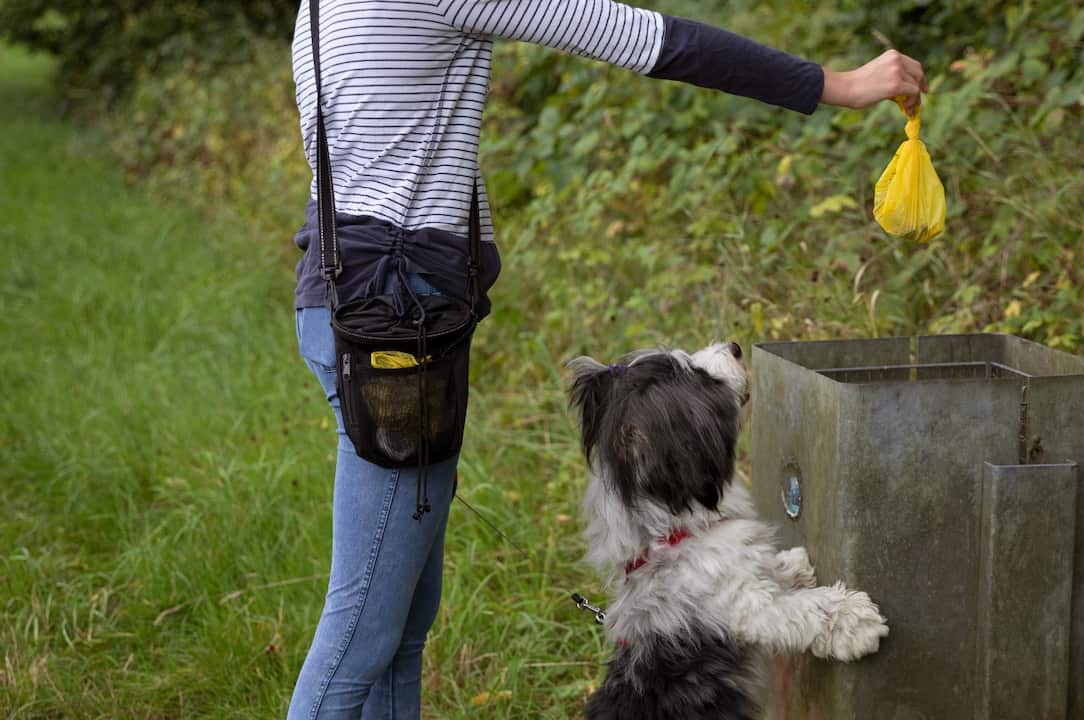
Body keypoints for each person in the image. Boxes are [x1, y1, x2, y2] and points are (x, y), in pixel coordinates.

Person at [287, 1, 927, 717]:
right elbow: (650, 40)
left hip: (353, 307)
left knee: (399, 630)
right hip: (394, 333)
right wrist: (835, 84)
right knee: (360, 641)